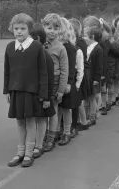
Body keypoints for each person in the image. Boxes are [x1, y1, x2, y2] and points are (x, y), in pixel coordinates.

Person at [3, 13, 48, 168]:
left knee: (30, 121)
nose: (19, 31)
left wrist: (44, 94)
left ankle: (29, 152)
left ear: (29, 29)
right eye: (16, 28)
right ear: (12, 29)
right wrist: (7, 90)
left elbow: (43, 72)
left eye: (23, 28)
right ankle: (20, 152)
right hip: (16, 91)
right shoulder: (10, 47)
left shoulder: (36, 47)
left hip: (31, 92)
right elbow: (7, 71)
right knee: (19, 122)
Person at [42, 14, 69, 152]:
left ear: (60, 30)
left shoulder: (61, 48)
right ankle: (43, 134)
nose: (52, 31)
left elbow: (65, 71)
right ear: (43, 27)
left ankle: (51, 137)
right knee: (41, 112)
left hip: (55, 83)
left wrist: (61, 90)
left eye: (55, 28)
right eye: (49, 27)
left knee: (53, 111)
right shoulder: (39, 45)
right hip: (41, 83)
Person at [30, 23, 56, 159]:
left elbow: (49, 79)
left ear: (38, 39)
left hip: (42, 95)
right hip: (31, 93)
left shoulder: (45, 57)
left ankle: (39, 145)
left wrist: (46, 97)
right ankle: (32, 143)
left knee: (41, 118)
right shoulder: (28, 54)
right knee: (32, 118)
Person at [56, 18, 78, 145]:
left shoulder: (69, 47)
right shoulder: (55, 46)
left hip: (66, 82)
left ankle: (67, 132)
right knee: (58, 108)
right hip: (56, 81)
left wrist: (69, 83)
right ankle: (57, 130)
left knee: (65, 108)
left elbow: (71, 68)